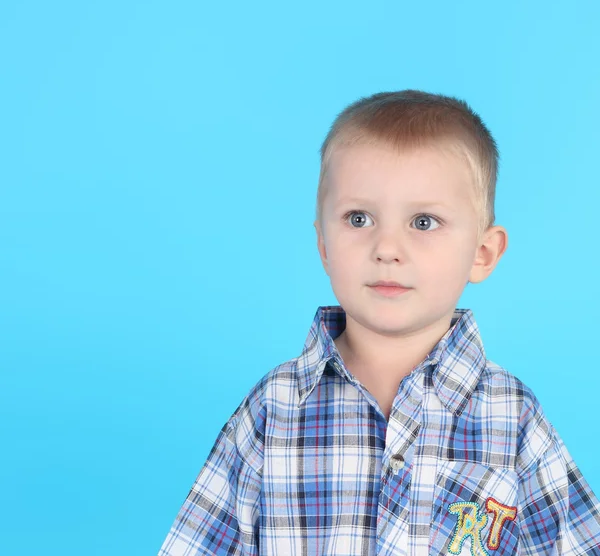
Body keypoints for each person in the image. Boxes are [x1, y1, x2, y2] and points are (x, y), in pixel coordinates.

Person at [157, 90, 600, 555]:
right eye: (359, 218)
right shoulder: (273, 410)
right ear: (324, 244)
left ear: (482, 253)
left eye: (423, 222)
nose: (387, 247)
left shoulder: (512, 418)